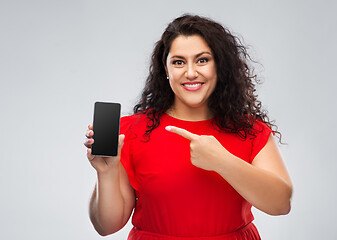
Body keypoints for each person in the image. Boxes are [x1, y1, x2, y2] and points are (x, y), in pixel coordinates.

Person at [84, 14, 292, 240]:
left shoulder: (251, 131)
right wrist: (106, 172)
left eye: (202, 60)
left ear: (219, 66)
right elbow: (106, 226)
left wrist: (222, 161)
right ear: (166, 69)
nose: (191, 72)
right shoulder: (131, 131)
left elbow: (281, 204)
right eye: (178, 62)